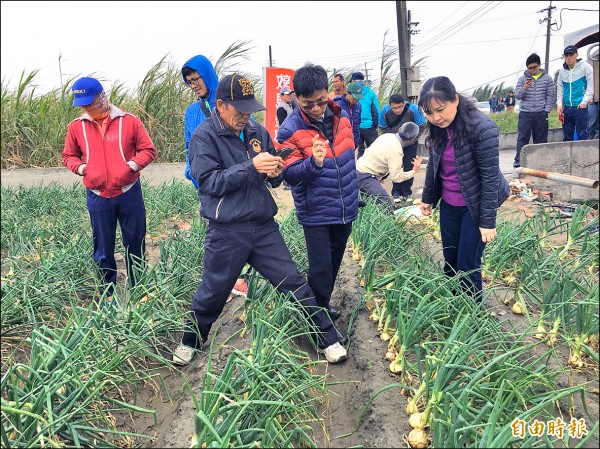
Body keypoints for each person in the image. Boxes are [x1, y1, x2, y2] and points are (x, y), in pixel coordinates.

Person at [174, 73, 347, 366]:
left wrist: (275, 169)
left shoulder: (256, 131)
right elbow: (209, 183)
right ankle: (191, 340)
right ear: (220, 105)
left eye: (249, 110)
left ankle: (328, 338)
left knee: (293, 282)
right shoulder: (205, 136)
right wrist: (251, 167)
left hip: (262, 226)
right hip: (227, 230)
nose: (245, 117)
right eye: (239, 110)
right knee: (213, 290)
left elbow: (274, 180)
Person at [276, 63, 359, 331]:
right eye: (308, 103)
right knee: (320, 268)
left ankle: (320, 305)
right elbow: (289, 175)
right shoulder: (289, 130)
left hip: (344, 205)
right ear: (296, 99)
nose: (316, 108)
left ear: (328, 93)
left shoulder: (342, 115)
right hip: (316, 211)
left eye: (321, 101)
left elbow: (348, 157)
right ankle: (318, 323)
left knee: (333, 263)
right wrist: (314, 162)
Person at [62, 77, 156, 303]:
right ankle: (108, 290)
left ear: (102, 97)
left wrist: (130, 167)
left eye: (91, 102)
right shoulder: (77, 126)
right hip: (97, 196)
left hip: (128, 191)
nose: (87, 108)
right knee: (102, 245)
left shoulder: (130, 121)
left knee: (135, 241)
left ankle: (138, 286)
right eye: (83, 104)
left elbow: (148, 149)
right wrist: (82, 168)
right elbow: (69, 156)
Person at [418, 76, 510, 303]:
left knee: (468, 263)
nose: (436, 118)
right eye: (429, 113)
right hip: (450, 204)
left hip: (475, 205)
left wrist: (487, 221)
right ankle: (454, 305)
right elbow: (434, 164)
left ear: (456, 100)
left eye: (440, 110)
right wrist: (427, 198)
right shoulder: (438, 128)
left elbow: (489, 177)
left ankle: (471, 316)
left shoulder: (482, 127)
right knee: (450, 259)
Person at [356, 122, 423, 211]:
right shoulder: (396, 150)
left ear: (399, 129)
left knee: (366, 203)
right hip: (365, 176)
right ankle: (391, 223)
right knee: (385, 201)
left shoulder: (387, 136)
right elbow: (396, 178)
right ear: (412, 139)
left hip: (358, 169)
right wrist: (414, 170)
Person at [181, 55, 219, 189]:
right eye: (190, 82)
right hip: (204, 185)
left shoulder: (230, 104)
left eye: (196, 79)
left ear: (206, 74)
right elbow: (189, 146)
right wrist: (191, 173)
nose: (194, 86)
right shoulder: (191, 112)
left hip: (232, 180)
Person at [513, 53, 555, 168]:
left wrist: (546, 110)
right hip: (525, 113)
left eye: (534, 67)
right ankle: (518, 160)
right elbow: (517, 95)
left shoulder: (547, 79)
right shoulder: (522, 79)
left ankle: (540, 161)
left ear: (539, 65)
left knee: (540, 139)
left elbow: (550, 96)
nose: (532, 70)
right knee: (522, 137)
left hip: (540, 113)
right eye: (530, 68)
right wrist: (524, 88)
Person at [378, 94, 418, 203]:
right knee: (396, 166)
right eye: (394, 108)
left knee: (409, 165)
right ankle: (396, 191)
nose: (398, 110)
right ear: (390, 106)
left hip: (411, 143)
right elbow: (382, 126)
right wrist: (393, 137)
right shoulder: (385, 111)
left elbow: (421, 125)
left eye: (400, 107)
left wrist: (412, 138)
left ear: (403, 104)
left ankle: (407, 192)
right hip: (395, 143)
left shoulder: (413, 109)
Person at [557, 45, 595, 141]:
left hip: (580, 107)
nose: (568, 58)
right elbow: (560, 88)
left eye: (571, 55)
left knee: (582, 134)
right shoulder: (562, 71)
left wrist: (584, 102)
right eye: (566, 55)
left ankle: (583, 155)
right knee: (567, 136)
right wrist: (559, 104)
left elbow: (591, 86)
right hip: (567, 107)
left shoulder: (586, 67)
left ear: (576, 54)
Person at [350, 72, 381, 159]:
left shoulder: (351, 94)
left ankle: (360, 170)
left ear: (353, 81)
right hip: (368, 126)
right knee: (374, 151)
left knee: (360, 150)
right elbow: (376, 112)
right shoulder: (370, 93)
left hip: (355, 126)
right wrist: (375, 126)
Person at [333, 82, 362, 150]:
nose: (356, 100)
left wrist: (356, 142)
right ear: (348, 93)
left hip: (354, 143)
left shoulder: (358, 106)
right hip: (340, 144)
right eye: (354, 98)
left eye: (358, 98)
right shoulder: (338, 105)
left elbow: (357, 124)